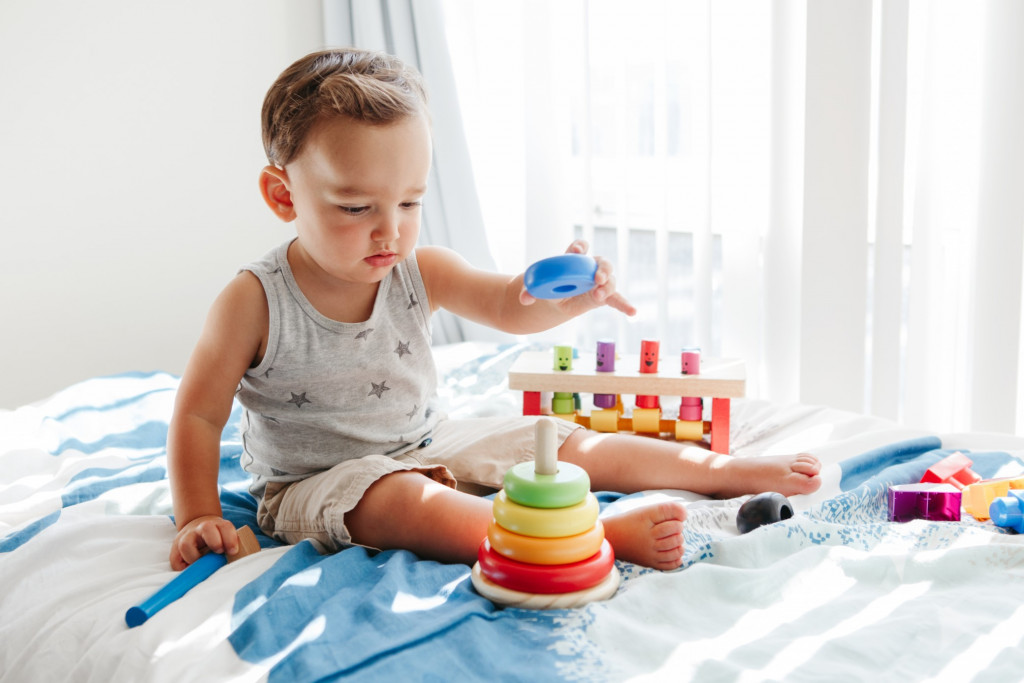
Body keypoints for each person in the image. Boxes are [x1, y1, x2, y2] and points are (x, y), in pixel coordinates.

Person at [167, 47, 821, 575]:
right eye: (356, 207)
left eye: (410, 202)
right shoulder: (254, 300)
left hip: (426, 438)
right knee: (406, 501)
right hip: (320, 482)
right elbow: (198, 412)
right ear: (283, 195)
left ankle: (724, 470)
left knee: (561, 440)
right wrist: (198, 514)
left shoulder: (419, 269)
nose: (389, 231)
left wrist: (571, 298)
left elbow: (510, 306)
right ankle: (582, 537)